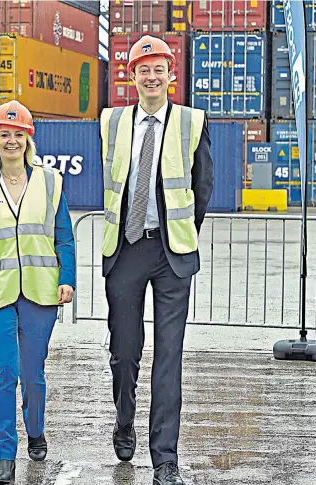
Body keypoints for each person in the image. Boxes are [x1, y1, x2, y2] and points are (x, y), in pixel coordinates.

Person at [100, 35, 213, 485]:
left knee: (169, 358)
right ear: (131, 75)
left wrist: (180, 235)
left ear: (171, 75)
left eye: (158, 68)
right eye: (142, 68)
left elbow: (202, 189)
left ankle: (165, 458)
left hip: (171, 254)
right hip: (125, 249)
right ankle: (124, 419)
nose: (151, 75)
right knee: (124, 352)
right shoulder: (110, 122)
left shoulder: (191, 121)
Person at [0, 100, 76, 484]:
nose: (11, 140)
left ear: (28, 139)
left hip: (41, 291)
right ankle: (4, 453)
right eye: (4, 134)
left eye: (18, 134)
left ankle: (36, 429)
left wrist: (67, 278)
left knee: (33, 373)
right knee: (4, 371)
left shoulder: (50, 181)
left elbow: (64, 237)